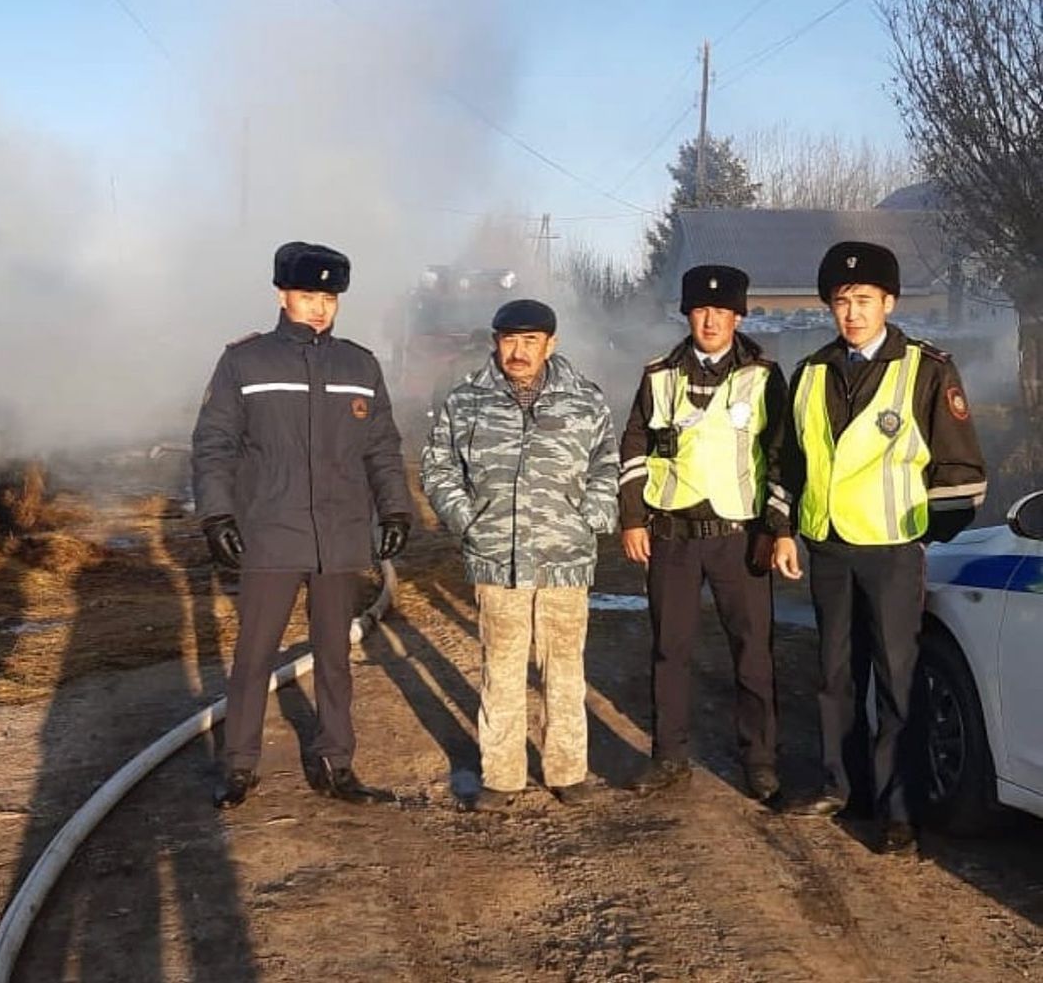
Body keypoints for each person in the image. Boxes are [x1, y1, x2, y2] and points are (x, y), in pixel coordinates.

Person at [772, 241, 987, 853]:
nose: (853, 312)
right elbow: (789, 462)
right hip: (829, 548)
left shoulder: (927, 369)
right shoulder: (811, 372)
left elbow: (962, 471)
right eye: (841, 301)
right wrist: (785, 529)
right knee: (834, 675)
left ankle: (899, 809)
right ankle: (844, 789)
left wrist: (921, 537)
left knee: (898, 680)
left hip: (893, 552)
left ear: (889, 302)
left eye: (864, 300)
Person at [192, 241, 413, 808]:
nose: (318, 307)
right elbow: (213, 445)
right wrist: (217, 514)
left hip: (339, 535)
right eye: (307, 295)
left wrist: (395, 507)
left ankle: (336, 763)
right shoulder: (245, 363)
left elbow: (383, 447)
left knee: (335, 656)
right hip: (270, 531)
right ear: (281, 295)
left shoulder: (359, 366)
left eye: (328, 297)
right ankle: (240, 766)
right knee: (254, 654)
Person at [420, 299, 619, 811]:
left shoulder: (584, 401)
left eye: (531, 341)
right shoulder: (465, 402)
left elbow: (607, 465)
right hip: (497, 558)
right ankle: (502, 775)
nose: (519, 351)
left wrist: (590, 518)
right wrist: (467, 520)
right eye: (510, 340)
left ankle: (567, 770)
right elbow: (439, 466)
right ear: (495, 342)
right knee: (501, 669)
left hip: (564, 558)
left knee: (565, 669)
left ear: (550, 344)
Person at [620, 265, 790, 804]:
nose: (711, 319)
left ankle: (760, 760)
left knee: (753, 651)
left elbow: (783, 457)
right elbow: (633, 447)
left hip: (739, 537)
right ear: (687, 314)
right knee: (670, 649)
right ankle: (669, 755)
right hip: (671, 535)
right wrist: (630, 518)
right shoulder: (658, 375)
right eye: (700, 309)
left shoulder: (764, 375)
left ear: (739, 315)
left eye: (721, 310)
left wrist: (777, 528)